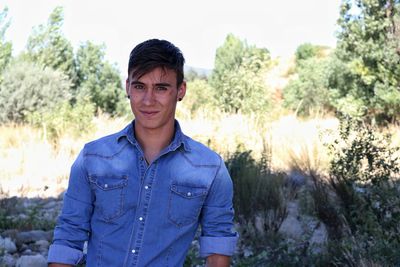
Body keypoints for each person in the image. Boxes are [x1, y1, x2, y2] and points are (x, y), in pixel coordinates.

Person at [47, 39, 238, 267]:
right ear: (128, 87)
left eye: (161, 88)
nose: (148, 100)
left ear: (181, 90)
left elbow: (218, 249)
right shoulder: (93, 158)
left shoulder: (209, 169)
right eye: (140, 86)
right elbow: (68, 237)